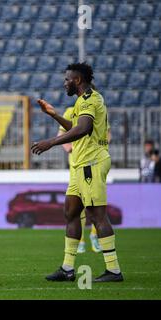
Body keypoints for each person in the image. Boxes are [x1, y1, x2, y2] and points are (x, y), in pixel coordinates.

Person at [32, 62, 123, 282]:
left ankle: (114, 270)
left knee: (96, 216)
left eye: (67, 79)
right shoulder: (82, 101)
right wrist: (54, 115)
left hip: (91, 162)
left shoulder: (91, 99)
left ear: (78, 80)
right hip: (80, 165)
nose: (65, 83)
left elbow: (84, 129)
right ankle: (67, 268)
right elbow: (76, 126)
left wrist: (51, 142)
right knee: (71, 212)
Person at [56, 107, 111, 254]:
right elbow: (62, 133)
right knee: (75, 205)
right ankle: (80, 242)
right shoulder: (70, 111)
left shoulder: (98, 108)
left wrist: (100, 145)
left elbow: (107, 133)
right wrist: (70, 148)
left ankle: (95, 236)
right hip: (76, 164)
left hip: (94, 162)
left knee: (95, 206)